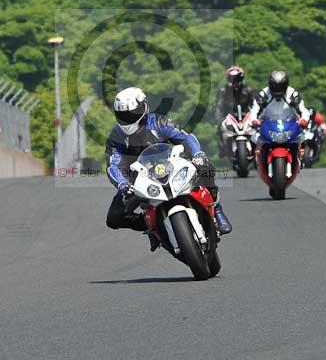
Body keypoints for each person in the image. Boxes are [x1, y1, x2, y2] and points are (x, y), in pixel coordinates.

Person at [105, 87, 232, 251]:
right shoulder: (116, 137)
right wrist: (122, 183)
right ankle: (151, 227)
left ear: (143, 108)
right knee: (114, 218)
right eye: (123, 115)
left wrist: (197, 154)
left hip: (171, 165)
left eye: (132, 113)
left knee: (205, 165)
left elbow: (186, 137)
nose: (128, 118)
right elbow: (113, 165)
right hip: (136, 179)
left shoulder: (160, 122)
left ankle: (217, 209)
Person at [254, 70, 311, 165]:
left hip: (289, 124)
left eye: (280, 86)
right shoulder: (264, 94)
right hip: (268, 124)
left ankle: (299, 157)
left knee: (304, 137)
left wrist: (304, 119)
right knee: (253, 137)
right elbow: (255, 109)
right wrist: (254, 120)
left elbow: (302, 109)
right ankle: (256, 159)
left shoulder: (292, 94)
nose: (277, 89)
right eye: (275, 86)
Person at [213, 64, 259, 157]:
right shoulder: (223, 91)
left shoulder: (249, 89)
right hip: (230, 116)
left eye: (237, 79)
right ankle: (222, 148)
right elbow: (218, 106)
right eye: (232, 79)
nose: (235, 82)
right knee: (218, 128)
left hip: (247, 115)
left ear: (241, 78)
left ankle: (260, 148)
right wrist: (219, 119)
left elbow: (257, 104)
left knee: (259, 128)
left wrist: (257, 117)